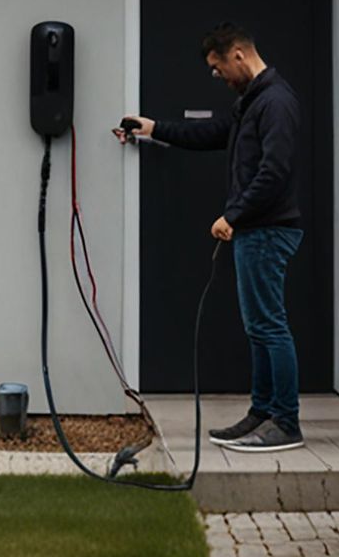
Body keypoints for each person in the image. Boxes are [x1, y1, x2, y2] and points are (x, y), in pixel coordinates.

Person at [119, 23, 305, 452]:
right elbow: (212, 134)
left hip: (267, 230)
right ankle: (262, 412)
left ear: (238, 54)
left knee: (270, 326)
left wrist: (233, 215)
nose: (216, 76)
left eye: (218, 67)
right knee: (259, 326)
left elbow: (273, 173)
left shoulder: (276, 102)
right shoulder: (251, 103)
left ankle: (286, 422)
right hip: (256, 230)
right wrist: (153, 127)